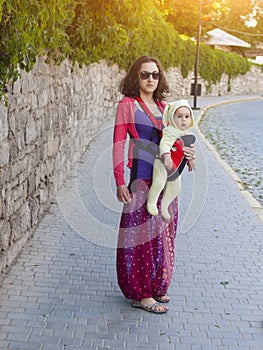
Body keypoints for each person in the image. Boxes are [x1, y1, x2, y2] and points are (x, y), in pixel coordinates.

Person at [112, 56, 195, 314]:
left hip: (166, 178)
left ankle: (158, 284)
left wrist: (189, 154)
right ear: (135, 77)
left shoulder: (165, 107)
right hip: (141, 176)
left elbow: (176, 139)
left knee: (163, 231)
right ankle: (141, 293)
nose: (150, 79)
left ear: (160, 78)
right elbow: (118, 144)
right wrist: (119, 182)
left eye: (155, 75)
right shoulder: (127, 105)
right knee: (140, 235)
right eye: (144, 74)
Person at [147, 99, 196, 221]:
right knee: (159, 181)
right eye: (179, 116)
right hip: (163, 162)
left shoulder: (187, 134)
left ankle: (165, 206)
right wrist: (166, 155)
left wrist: (191, 160)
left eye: (186, 116)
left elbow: (187, 150)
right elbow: (164, 144)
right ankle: (152, 201)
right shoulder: (170, 131)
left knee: (175, 187)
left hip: (176, 165)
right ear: (172, 119)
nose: (183, 120)